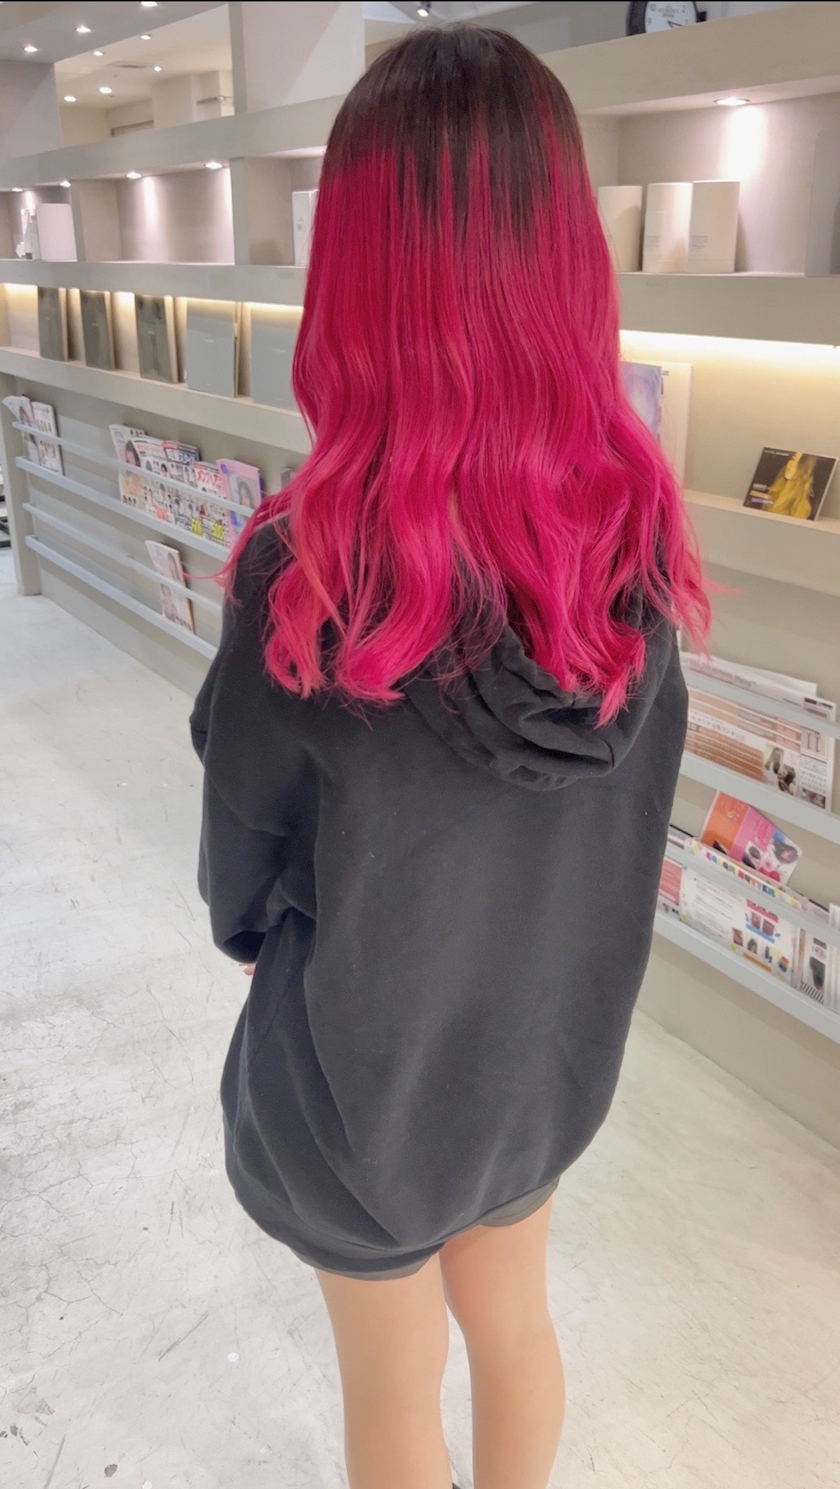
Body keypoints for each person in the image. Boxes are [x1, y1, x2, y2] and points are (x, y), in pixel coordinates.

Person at [190, 25, 709, 1489]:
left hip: (361, 1085)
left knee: (393, 1388)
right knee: (517, 1329)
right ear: (564, 260)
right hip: (539, 1064)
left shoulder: (311, 578)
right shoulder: (634, 554)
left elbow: (240, 882)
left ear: (358, 274)